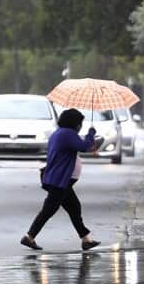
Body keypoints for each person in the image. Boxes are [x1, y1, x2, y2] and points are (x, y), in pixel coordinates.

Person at [21, 108, 101, 251]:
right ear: (74, 123)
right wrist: (91, 134)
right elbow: (83, 146)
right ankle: (29, 237)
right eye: (79, 123)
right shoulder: (67, 134)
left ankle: (86, 239)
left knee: (74, 207)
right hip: (60, 181)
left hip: (60, 180)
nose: (80, 126)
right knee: (49, 210)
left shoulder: (59, 133)